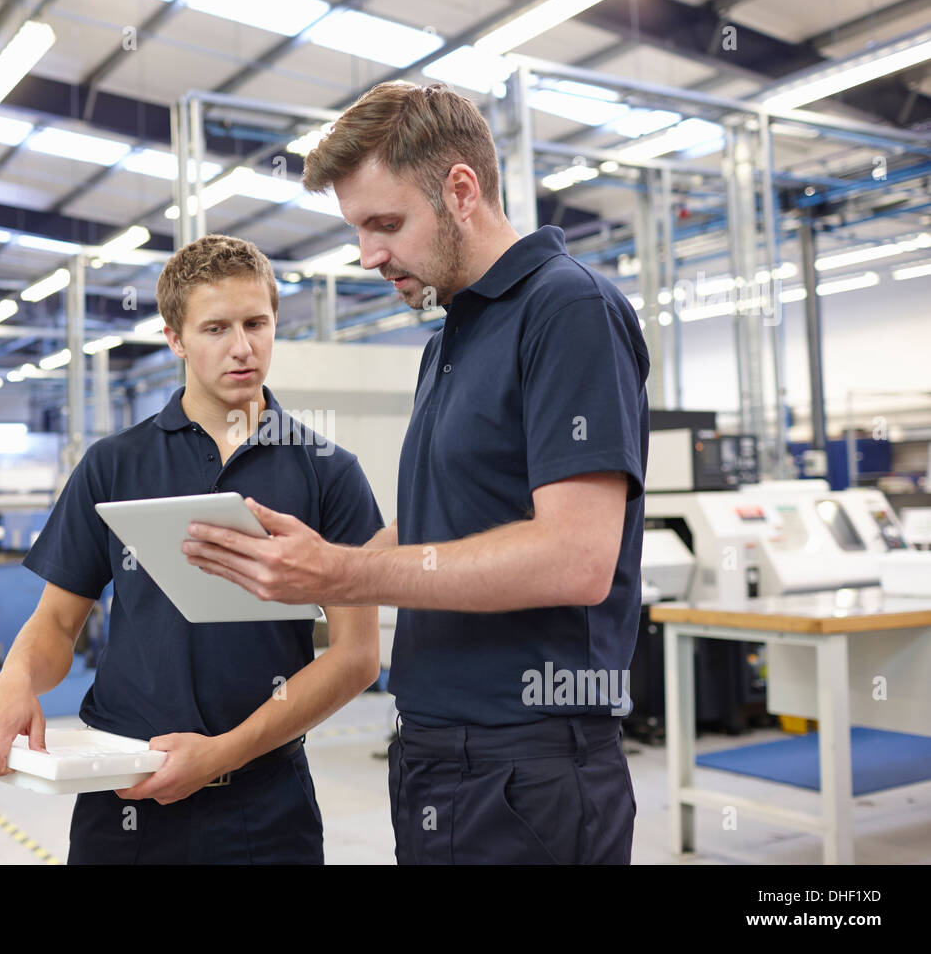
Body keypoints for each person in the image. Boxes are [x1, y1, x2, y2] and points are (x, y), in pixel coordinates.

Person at [182, 82, 650, 864]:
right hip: (438, 749)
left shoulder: (568, 310)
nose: (369, 255)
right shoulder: (449, 335)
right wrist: (334, 564)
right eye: (358, 230)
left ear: (461, 190)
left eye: (385, 224)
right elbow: (450, 526)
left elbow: (577, 558)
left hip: (527, 762)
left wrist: (342, 573)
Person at [0, 233, 383, 864]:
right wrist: (14, 680)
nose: (242, 348)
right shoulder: (113, 465)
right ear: (175, 338)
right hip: (123, 799)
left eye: (256, 323)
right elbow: (55, 622)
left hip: (266, 809)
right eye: (215, 328)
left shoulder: (328, 472)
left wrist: (225, 751)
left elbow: (357, 656)